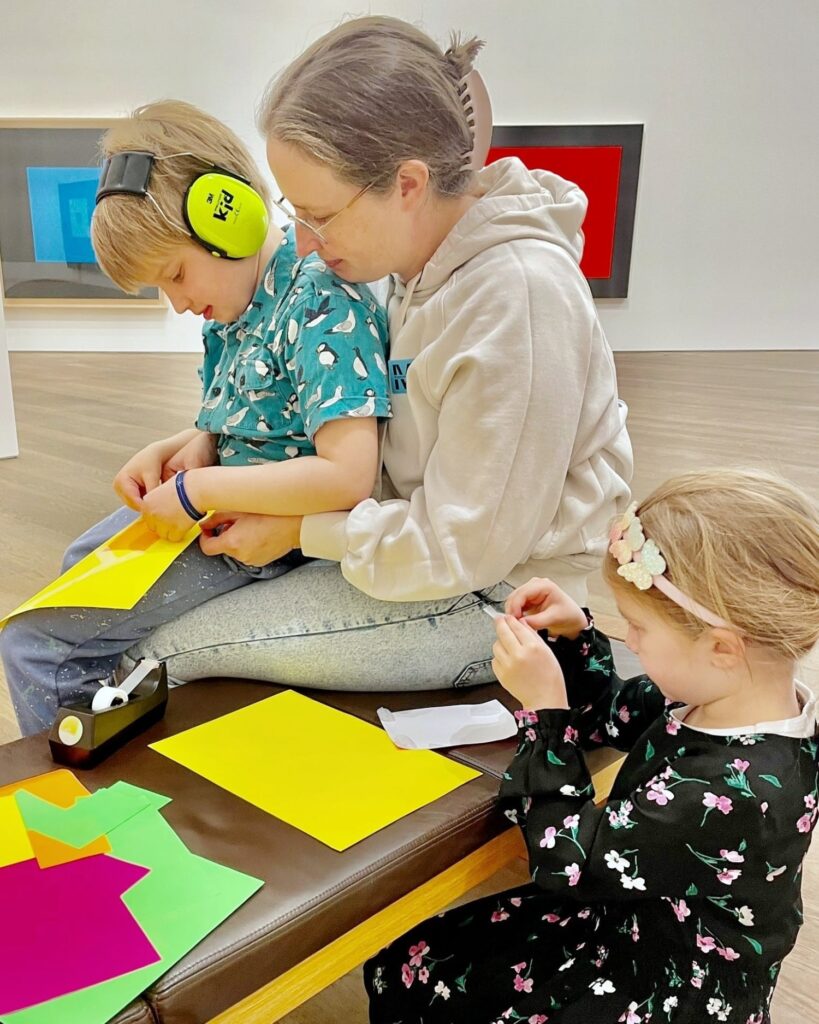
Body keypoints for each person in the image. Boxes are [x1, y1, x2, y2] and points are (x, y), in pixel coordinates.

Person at [4, 15, 632, 729]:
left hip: (493, 598)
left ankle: (99, 827)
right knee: (105, 609)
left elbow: (460, 551)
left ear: (406, 184)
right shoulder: (407, 270)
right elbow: (348, 417)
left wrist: (301, 532)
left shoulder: (514, 297)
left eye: (322, 214)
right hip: (391, 548)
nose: (303, 240)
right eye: (293, 212)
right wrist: (205, 439)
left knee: (156, 657)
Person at [365, 468, 819, 1024]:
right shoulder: (724, 692)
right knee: (415, 965)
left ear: (722, 647)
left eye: (638, 627)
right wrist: (575, 637)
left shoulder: (738, 787)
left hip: (663, 980)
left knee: (436, 986)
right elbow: (613, 715)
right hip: (627, 909)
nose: (627, 638)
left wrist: (545, 717)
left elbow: (568, 863)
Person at [0, 100, 390, 735]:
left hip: (268, 542)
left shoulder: (321, 302)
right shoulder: (238, 307)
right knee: (80, 559)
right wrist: (193, 442)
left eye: (176, 275)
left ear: (227, 219)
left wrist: (198, 488)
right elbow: (262, 417)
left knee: (35, 647)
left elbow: (348, 474)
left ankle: (83, 804)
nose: (178, 304)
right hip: (227, 506)